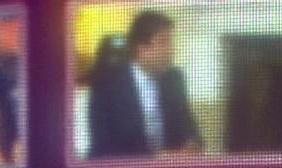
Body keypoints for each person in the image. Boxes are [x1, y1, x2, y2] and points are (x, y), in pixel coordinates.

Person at [86, 9, 203, 159]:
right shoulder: (106, 85)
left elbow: (191, 129)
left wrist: (191, 146)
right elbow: (102, 148)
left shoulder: (174, 79)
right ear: (142, 49)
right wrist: (153, 158)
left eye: (170, 42)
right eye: (164, 42)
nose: (171, 50)